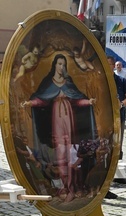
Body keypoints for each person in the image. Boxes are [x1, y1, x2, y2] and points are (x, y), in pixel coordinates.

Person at [21, 54, 97, 197]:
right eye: (59, 64)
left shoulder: (68, 82)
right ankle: (64, 186)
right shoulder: (48, 83)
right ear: (54, 65)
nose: (61, 67)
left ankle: (74, 186)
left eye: (63, 64)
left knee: (71, 151)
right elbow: (42, 100)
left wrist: (89, 102)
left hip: (69, 118)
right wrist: (30, 103)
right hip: (56, 118)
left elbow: (77, 100)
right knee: (60, 150)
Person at [106, 56, 126, 198]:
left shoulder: (120, 81)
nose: (108, 66)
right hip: (103, 121)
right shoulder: (99, 81)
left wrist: (120, 104)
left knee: (116, 151)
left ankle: (109, 184)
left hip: (117, 120)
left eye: (110, 64)